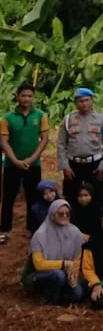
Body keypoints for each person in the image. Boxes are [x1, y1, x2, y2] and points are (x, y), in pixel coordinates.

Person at [1, 83, 51, 243]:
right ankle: (4, 228)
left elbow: (44, 140)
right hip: (11, 165)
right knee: (8, 196)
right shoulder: (7, 118)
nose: (26, 99)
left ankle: (33, 227)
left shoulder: (41, 116)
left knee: (33, 196)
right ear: (17, 96)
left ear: (33, 97)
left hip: (33, 165)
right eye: (23, 95)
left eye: (29, 96)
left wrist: (31, 158)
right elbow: (3, 142)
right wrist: (15, 160)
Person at [23, 198, 85, 304]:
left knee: (77, 294)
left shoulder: (74, 232)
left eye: (67, 214)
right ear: (52, 214)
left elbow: (77, 258)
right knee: (58, 275)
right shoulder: (40, 235)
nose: (64, 216)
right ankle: (47, 297)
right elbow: (39, 265)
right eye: (60, 214)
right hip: (39, 275)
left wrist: (73, 275)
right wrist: (63, 264)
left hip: (65, 273)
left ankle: (58, 297)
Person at [57, 87, 103, 201]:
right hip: (73, 165)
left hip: (94, 165)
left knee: (98, 196)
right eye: (81, 101)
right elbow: (61, 144)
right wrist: (65, 166)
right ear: (75, 103)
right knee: (72, 196)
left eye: (87, 100)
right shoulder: (68, 119)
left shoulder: (102, 119)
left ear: (92, 101)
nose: (84, 104)